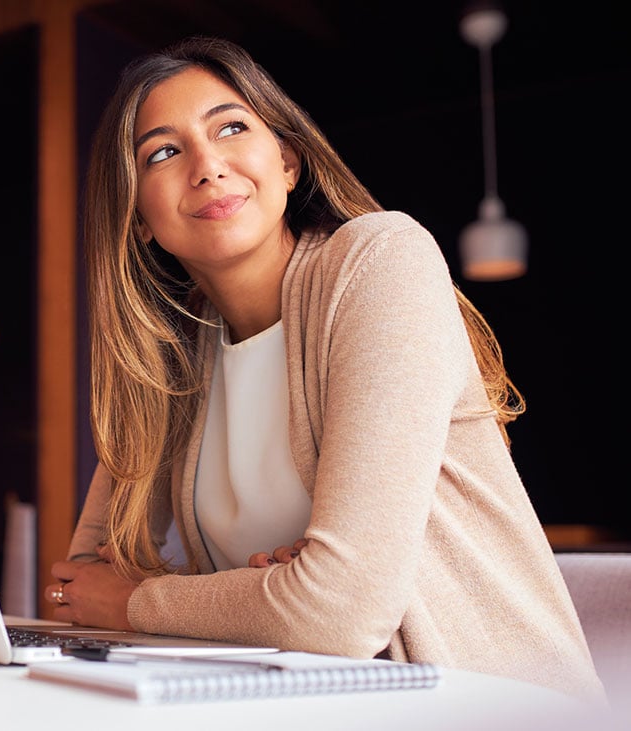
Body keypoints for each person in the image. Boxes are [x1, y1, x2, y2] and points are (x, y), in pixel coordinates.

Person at [44, 35, 605, 703]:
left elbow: (337, 613)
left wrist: (143, 600)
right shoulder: (176, 352)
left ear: (286, 161)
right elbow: (77, 589)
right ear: (138, 216)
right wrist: (269, 594)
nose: (207, 165)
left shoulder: (378, 263)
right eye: (163, 152)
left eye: (230, 127)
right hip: (312, 704)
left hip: (485, 706)